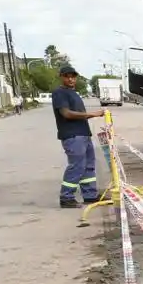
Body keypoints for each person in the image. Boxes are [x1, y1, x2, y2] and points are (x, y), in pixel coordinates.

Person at [52, 66, 104, 209]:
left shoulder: (73, 93)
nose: (70, 79)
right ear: (61, 77)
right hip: (73, 135)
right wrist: (92, 114)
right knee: (77, 166)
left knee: (88, 166)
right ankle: (66, 197)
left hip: (83, 134)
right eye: (67, 76)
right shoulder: (59, 93)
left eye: (73, 76)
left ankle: (90, 195)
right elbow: (66, 113)